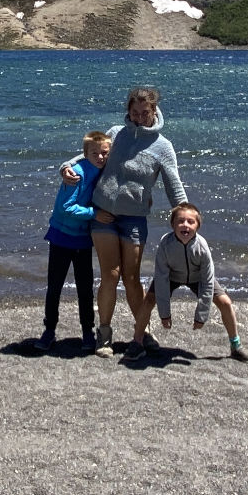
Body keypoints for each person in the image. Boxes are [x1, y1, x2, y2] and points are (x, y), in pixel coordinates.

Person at [70, 84, 187, 354]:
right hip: (103, 215)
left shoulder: (163, 147)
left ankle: (142, 331)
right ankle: (105, 335)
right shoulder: (115, 134)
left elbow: (174, 186)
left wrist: (185, 215)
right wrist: (68, 166)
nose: (138, 117)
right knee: (110, 275)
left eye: (144, 112)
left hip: (134, 219)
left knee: (132, 277)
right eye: (134, 112)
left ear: (154, 110)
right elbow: (91, 156)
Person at [148, 203, 248, 361]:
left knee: (225, 302)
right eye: (180, 221)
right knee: (148, 299)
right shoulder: (165, 244)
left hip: (197, 278)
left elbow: (208, 281)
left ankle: (236, 345)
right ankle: (138, 340)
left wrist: (201, 316)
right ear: (172, 225)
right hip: (172, 276)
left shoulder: (202, 247)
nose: (185, 225)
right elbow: (161, 279)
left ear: (198, 226)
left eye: (191, 222)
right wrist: (164, 314)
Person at [38, 130, 109, 350]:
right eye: (95, 153)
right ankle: (49, 330)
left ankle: (87, 332)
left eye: (104, 153)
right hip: (61, 236)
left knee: (85, 288)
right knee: (55, 287)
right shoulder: (76, 173)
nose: (100, 157)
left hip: (83, 240)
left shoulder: (103, 170)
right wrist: (94, 214)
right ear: (85, 153)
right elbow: (66, 207)